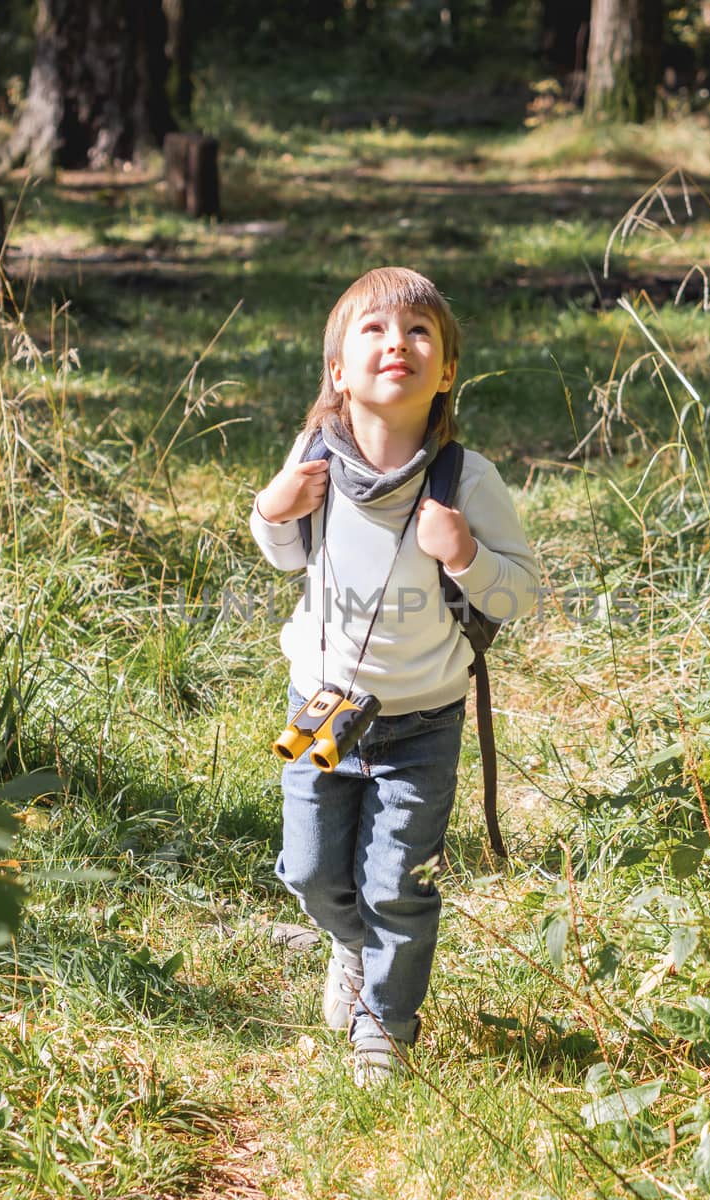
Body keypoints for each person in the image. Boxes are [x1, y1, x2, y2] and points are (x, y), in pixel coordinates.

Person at [250, 266, 541, 1085]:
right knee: (308, 870)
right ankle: (350, 946)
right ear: (338, 371)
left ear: (446, 371)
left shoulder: (465, 479)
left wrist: (467, 554)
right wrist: (273, 510)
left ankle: (387, 1023)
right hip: (318, 708)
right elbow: (286, 557)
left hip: (421, 721)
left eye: (418, 332)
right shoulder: (314, 456)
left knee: (400, 887)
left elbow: (518, 592)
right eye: (373, 331)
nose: (397, 345)